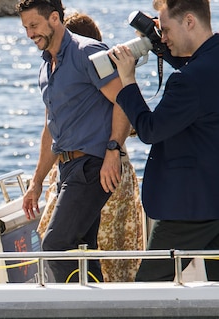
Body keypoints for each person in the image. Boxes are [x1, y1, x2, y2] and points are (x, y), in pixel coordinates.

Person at [17, 0, 131, 283]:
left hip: (93, 167)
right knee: (84, 251)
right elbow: (50, 129)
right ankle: (95, 316)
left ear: (54, 18)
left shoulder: (88, 52)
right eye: (25, 28)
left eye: (34, 25)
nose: (29, 34)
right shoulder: (46, 68)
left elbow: (126, 101)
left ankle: (70, 311)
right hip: (67, 170)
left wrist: (113, 151)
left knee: (54, 246)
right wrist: (37, 181)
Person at [110, 0, 219, 281]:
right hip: (210, 199)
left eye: (167, 29)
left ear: (190, 22)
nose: (165, 36)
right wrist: (159, 44)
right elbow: (197, 65)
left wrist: (128, 79)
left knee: (148, 289)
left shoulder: (188, 81)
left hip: (191, 207)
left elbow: (149, 130)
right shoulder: (209, 61)